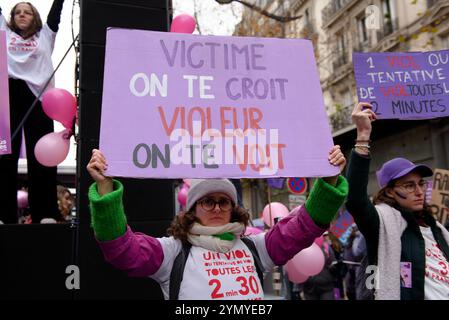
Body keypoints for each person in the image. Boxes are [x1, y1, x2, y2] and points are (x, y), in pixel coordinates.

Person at [86, 146, 348, 300]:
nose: (217, 208)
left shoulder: (256, 247)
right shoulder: (173, 251)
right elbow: (123, 251)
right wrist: (106, 189)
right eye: (208, 201)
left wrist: (330, 181)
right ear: (193, 209)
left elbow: (302, 228)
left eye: (224, 202)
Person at [346, 102, 449, 300]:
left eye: (421, 184)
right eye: (409, 186)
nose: (419, 191)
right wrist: (363, 135)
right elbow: (355, 200)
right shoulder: (382, 225)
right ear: (391, 192)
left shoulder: (436, 227)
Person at [0, 0, 66, 224]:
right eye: (17, 12)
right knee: (4, 158)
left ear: (34, 17)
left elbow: (56, 14)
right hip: (9, 95)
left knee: (42, 157)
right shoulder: (4, 33)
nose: (21, 15)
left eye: (27, 12)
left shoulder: (45, 36)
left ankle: (45, 212)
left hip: (39, 98)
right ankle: (4, 214)